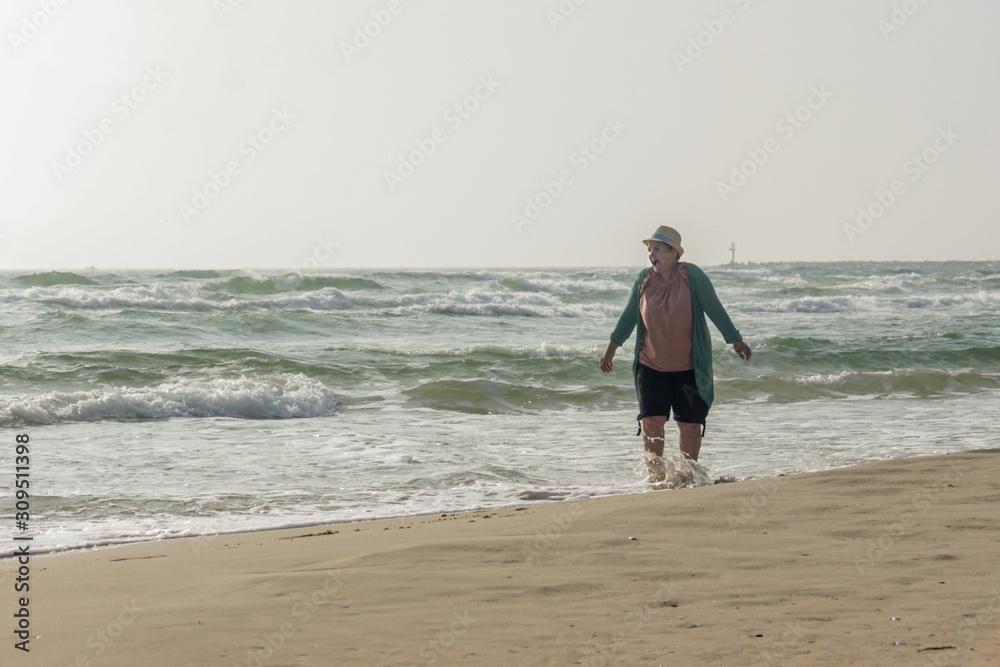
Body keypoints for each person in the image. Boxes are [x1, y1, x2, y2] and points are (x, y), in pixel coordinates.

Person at [599, 225, 751, 480]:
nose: (651, 254)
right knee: (651, 422)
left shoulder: (692, 276)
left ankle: (687, 476)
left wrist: (735, 340)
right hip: (650, 365)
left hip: (690, 368)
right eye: (649, 250)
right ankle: (657, 478)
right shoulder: (643, 280)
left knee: (690, 424)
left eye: (657, 249)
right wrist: (611, 348)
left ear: (673, 252)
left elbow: (714, 308)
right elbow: (628, 318)